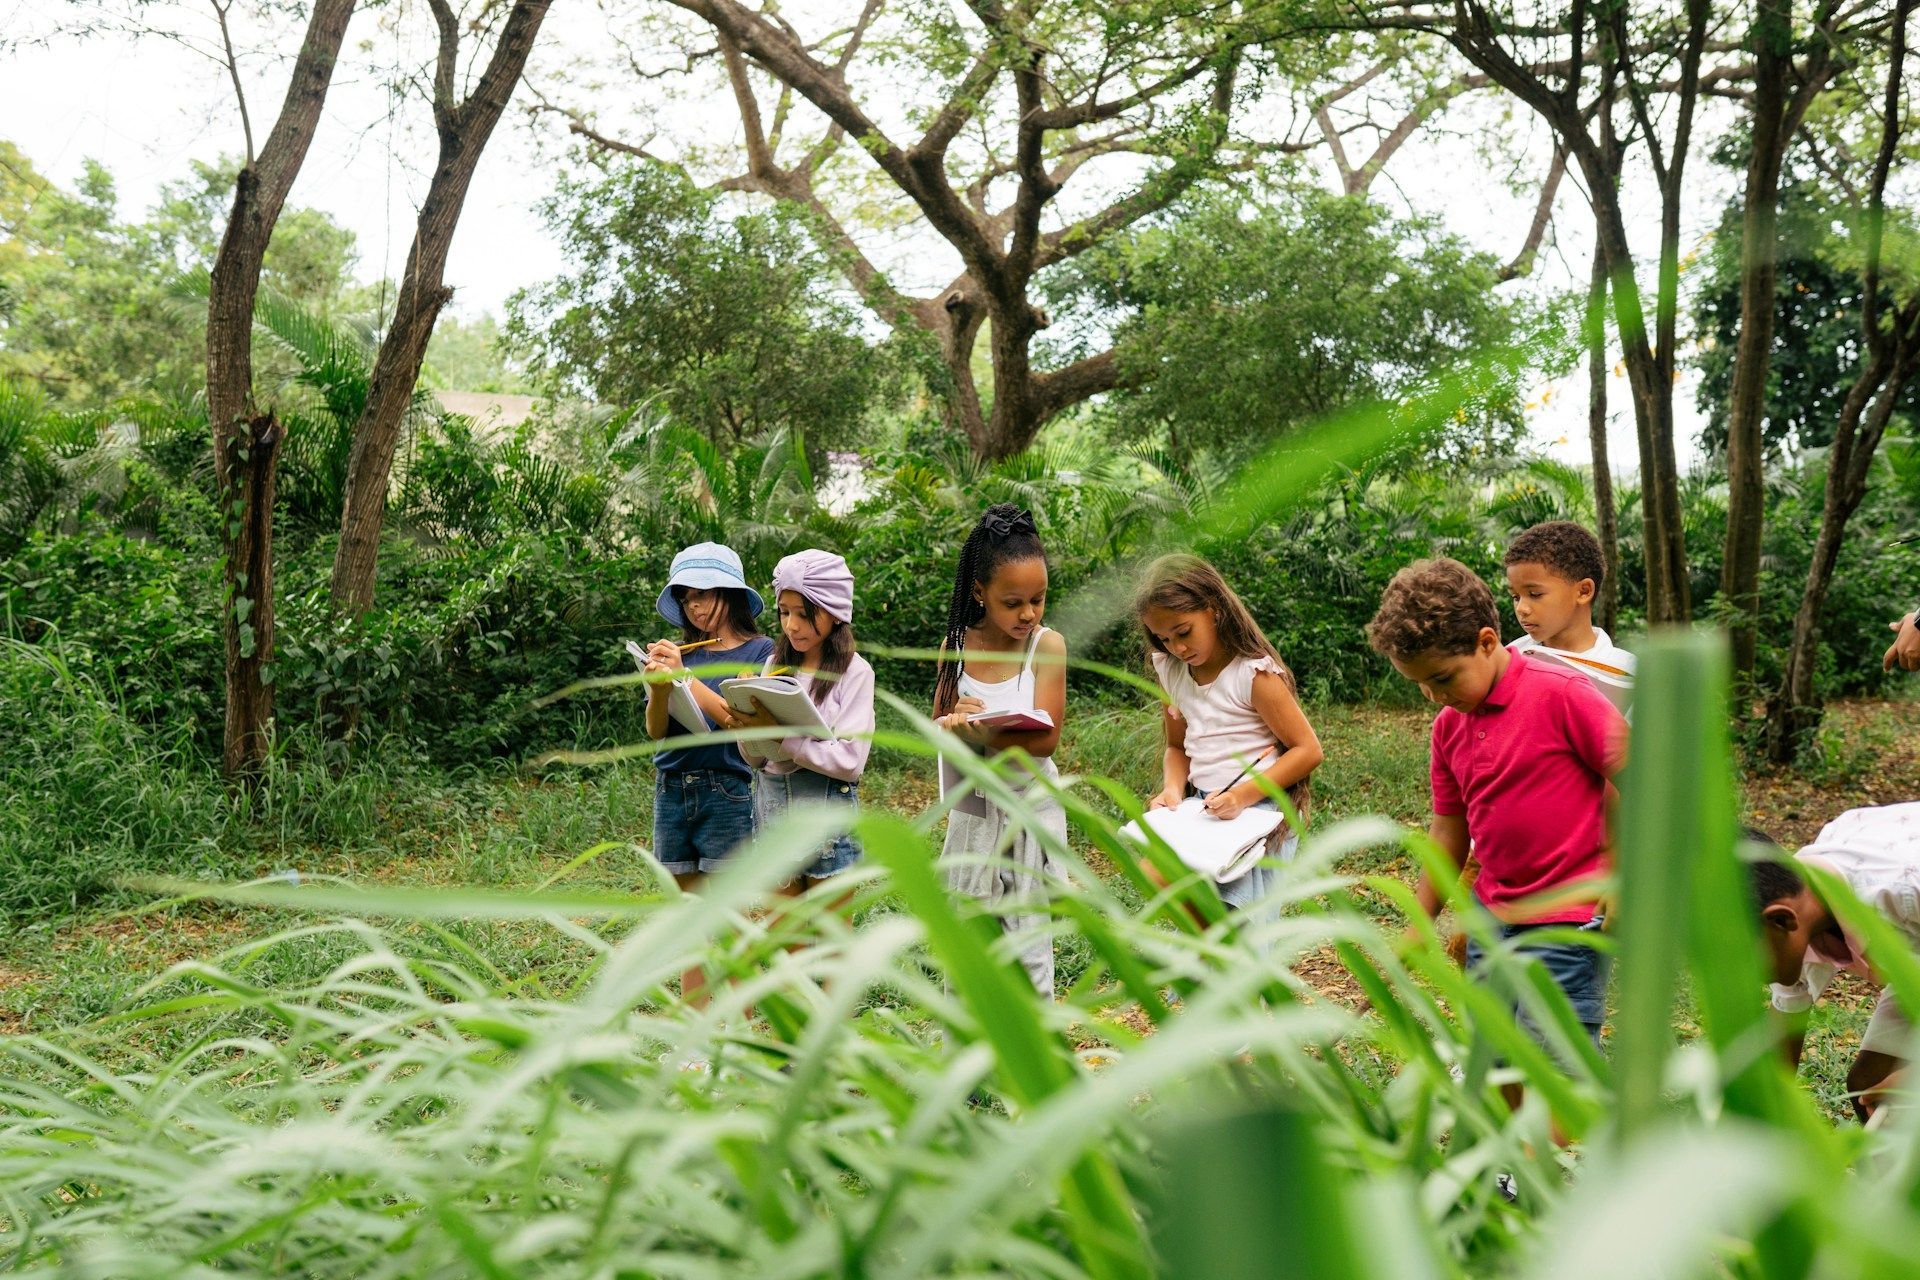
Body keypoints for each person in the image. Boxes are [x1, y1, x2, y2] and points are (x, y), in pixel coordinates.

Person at [1367, 557, 1625, 1058]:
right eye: (1420, 684)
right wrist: (1420, 925)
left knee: (1552, 1065)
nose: (1432, 695)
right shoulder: (1448, 726)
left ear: (1488, 642)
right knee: (1493, 1055)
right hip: (1491, 915)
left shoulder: (1564, 695)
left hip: (1568, 917)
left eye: (1443, 678)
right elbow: (1448, 832)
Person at [1135, 553, 1323, 918]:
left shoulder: (1252, 675)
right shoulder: (1172, 671)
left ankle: (1230, 967)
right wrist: (1173, 789)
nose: (1178, 648)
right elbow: (1176, 747)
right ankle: (1218, 966)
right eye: (1164, 638)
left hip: (1259, 810)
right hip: (1205, 809)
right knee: (1154, 875)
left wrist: (1241, 795)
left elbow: (1308, 750)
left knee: (1237, 921)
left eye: (1184, 632)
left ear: (1214, 609)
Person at [931, 505, 1070, 998]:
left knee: (1030, 946)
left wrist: (983, 732)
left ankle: (1038, 1063)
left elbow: (1046, 738)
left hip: (1029, 809)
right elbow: (939, 725)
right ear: (979, 593)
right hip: (974, 812)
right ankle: (961, 1060)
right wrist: (955, 722)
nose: (1028, 613)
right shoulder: (956, 646)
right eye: (1013, 602)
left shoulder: (1046, 647)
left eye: (1038, 599)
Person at [642, 542, 775, 1007]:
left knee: (728, 916)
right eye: (685, 597)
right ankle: (694, 1036)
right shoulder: (679, 652)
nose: (694, 606)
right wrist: (658, 688)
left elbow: (738, 721)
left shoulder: (762, 653)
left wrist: (685, 679)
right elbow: (657, 729)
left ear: (732, 594)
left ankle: (736, 1033)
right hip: (672, 788)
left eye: (704, 594)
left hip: (728, 789)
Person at [1748, 804, 1920, 1121]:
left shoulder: (1902, 890)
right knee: (1871, 1086)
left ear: (1781, 921)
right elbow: (1783, 1036)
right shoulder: (1794, 898)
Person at [736, 549, 875, 894]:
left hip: (825, 820)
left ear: (834, 611)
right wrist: (746, 727)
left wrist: (785, 742)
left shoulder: (853, 672)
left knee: (832, 943)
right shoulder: (774, 666)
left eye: (804, 613)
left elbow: (850, 761)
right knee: (785, 941)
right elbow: (756, 760)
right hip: (774, 814)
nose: (791, 625)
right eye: (784, 612)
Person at [1503, 520, 1635, 714]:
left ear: (1583, 591)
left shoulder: (1628, 672)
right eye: (1516, 597)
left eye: (1535, 594)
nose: (1521, 608)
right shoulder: (1507, 660)